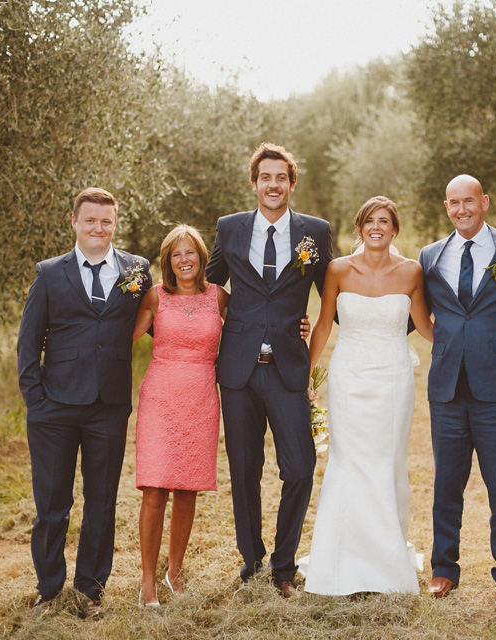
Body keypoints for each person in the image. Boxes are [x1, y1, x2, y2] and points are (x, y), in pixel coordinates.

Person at [131, 225, 312, 606]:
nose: (184, 260)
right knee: (154, 488)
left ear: (203, 258)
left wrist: (297, 324)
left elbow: (255, 322)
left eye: (191, 253)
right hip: (161, 395)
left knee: (186, 489)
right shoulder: (154, 297)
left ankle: (174, 572)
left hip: (201, 397)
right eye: (176, 254)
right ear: (167, 261)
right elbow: (121, 338)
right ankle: (148, 579)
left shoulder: (219, 298)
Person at [17, 187, 152, 618]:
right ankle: (49, 588)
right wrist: (35, 399)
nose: (99, 228)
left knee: (102, 501)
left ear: (116, 223)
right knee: (52, 504)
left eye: (107, 221)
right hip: (53, 406)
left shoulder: (137, 270)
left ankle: (91, 590)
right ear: (74, 222)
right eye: (90, 220)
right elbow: (27, 343)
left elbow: (162, 317)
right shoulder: (50, 273)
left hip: (108, 406)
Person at [206, 142, 334, 598]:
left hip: (287, 368)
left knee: (299, 467)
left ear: (292, 182)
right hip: (238, 370)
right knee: (244, 470)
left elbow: (333, 295)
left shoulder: (315, 233)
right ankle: (252, 561)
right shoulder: (230, 228)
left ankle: (284, 565)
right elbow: (208, 284)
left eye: (281, 177)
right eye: (266, 177)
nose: (273, 185)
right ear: (255, 182)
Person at [303, 196, 433, 595]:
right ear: (359, 228)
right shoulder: (338, 270)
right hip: (349, 377)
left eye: (385, 221)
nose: (377, 227)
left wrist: (472, 331)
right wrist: (306, 373)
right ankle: (340, 554)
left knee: (386, 461)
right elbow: (324, 325)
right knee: (348, 460)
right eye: (369, 221)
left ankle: (386, 557)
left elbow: (426, 327)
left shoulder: (412, 271)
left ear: (395, 229)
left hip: (393, 379)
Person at [419, 175, 496, 604]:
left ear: (484, 201)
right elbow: (415, 310)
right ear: (446, 207)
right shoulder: (430, 255)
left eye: (469, 200)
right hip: (446, 387)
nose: (462, 209)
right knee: (446, 482)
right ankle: (443, 568)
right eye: (454, 203)